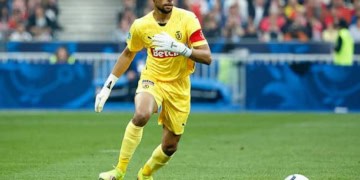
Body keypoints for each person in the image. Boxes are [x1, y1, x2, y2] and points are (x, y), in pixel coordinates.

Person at [95, 0, 212, 179]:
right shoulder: (141, 25)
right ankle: (119, 171)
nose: (169, 0)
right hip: (153, 79)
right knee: (141, 114)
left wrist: (180, 48)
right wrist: (108, 86)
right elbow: (128, 53)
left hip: (179, 85)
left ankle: (145, 174)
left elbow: (207, 56)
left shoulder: (188, 19)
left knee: (170, 146)